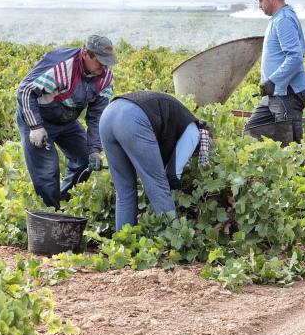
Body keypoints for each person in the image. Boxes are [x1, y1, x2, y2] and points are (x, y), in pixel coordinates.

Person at [16, 35, 116, 209]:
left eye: (107, 62)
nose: (104, 66)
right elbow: (25, 90)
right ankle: (51, 215)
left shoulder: (105, 78)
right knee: (47, 172)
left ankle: (64, 202)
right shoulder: (63, 67)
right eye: (100, 61)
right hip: (38, 115)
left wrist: (94, 149)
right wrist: (35, 126)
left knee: (85, 159)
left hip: (66, 119)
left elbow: (96, 116)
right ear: (85, 54)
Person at [99, 91, 212, 231]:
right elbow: (172, 174)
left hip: (108, 116)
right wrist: (175, 198)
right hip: (132, 118)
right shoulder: (195, 132)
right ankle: (177, 239)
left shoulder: (179, 123)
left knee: (124, 191)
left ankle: (123, 245)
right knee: (159, 185)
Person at [242, 0, 305, 145]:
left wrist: (273, 80)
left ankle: (295, 171)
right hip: (275, 93)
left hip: (287, 94)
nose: (259, 5)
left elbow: (295, 57)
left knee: (290, 147)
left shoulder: (284, 19)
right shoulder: (278, 18)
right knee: (251, 131)